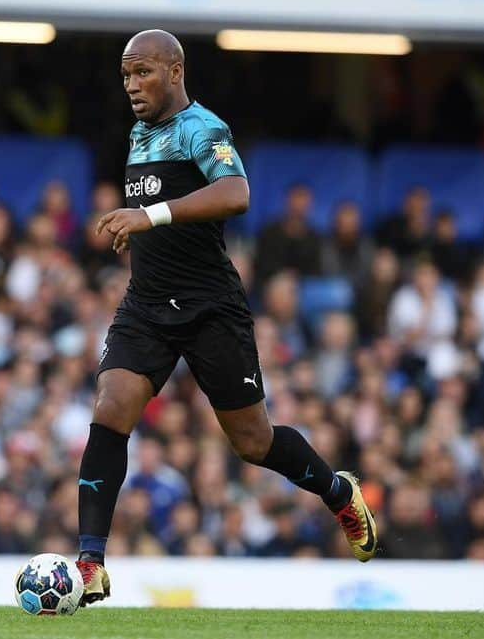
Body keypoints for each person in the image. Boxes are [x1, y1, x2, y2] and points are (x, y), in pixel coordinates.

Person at [77, 30, 376, 605]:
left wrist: (148, 217)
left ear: (175, 70)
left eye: (142, 72)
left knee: (252, 442)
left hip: (211, 306)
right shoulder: (140, 134)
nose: (132, 86)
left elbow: (236, 193)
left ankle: (339, 492)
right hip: (147, 304)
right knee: (111, 408)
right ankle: (91, 561)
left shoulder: (203, 128)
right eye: (125, 76)